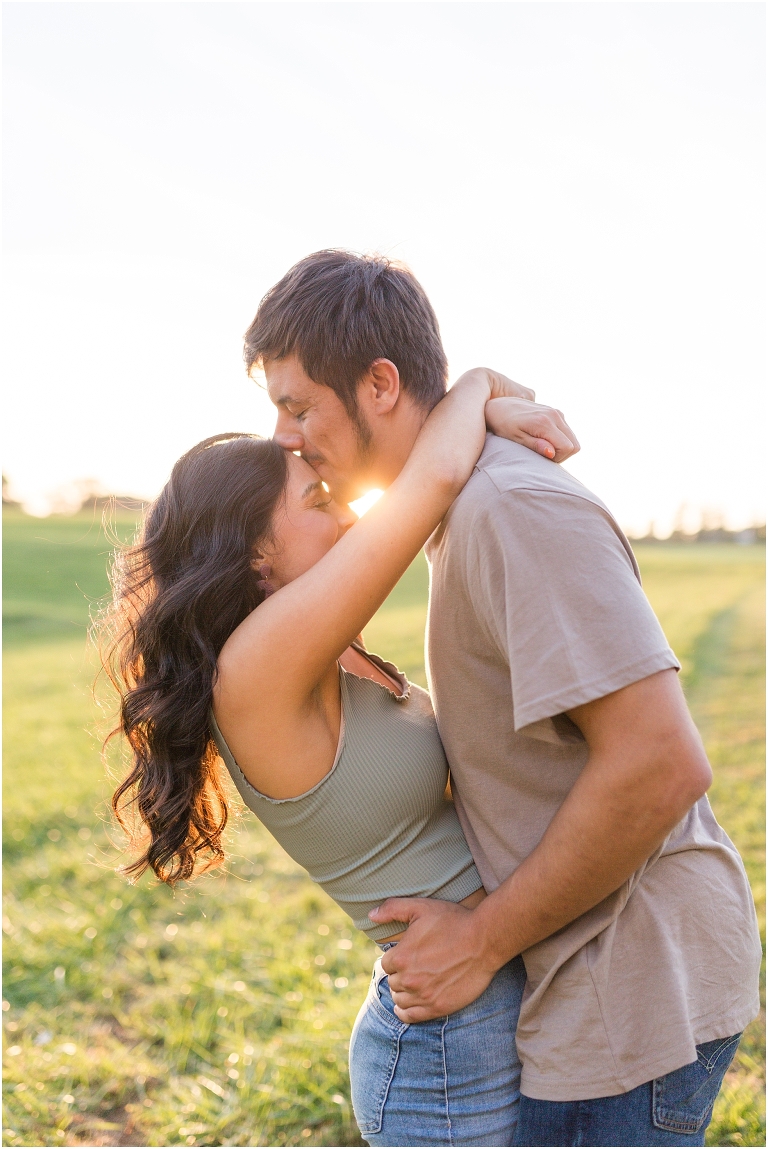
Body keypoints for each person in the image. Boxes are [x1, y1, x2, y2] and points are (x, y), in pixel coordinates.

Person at [243, 249, 762, 1148]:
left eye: (297, 405)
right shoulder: (457, 510)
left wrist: (482, 937)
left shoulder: (509, 510)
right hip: (582, 989)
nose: (285, 435)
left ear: (378, 384)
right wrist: (483, 385)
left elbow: (661, 762)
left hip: (631, 997)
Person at [102, 367, 578, 1146]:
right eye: (319, 503)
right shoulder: (253, 672)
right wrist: (482, 386)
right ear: (254, 551)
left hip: (474, 999)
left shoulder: (322, 655)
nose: (352, 516)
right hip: (447, 1052)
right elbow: (433, 476)